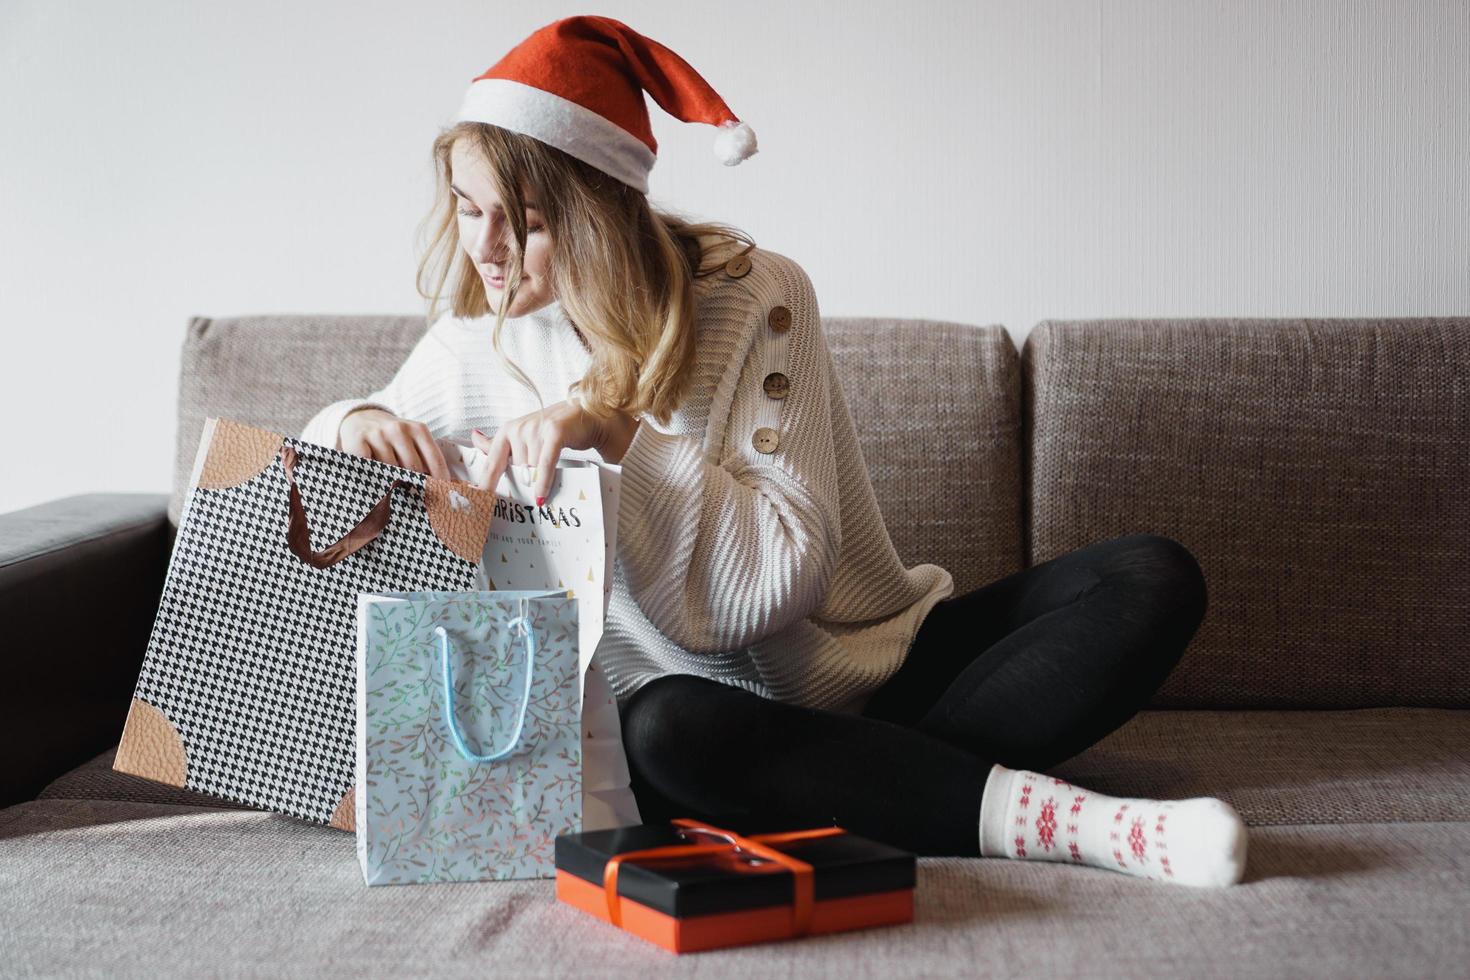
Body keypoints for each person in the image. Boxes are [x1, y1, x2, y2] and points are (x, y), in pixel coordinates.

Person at [302, 15, 1247, 888]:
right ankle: (1045, 819)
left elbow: (778, 581)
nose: (486, 251)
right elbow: (313, 476)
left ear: (595, 213)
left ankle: (856, 785)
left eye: (528, 221)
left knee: (1154, 577)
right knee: (669, 726)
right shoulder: (473, 345)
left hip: (880, 672)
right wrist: (347, 425)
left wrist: (621, 436)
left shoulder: (757, 296)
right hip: (694, 721)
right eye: (469, 209)